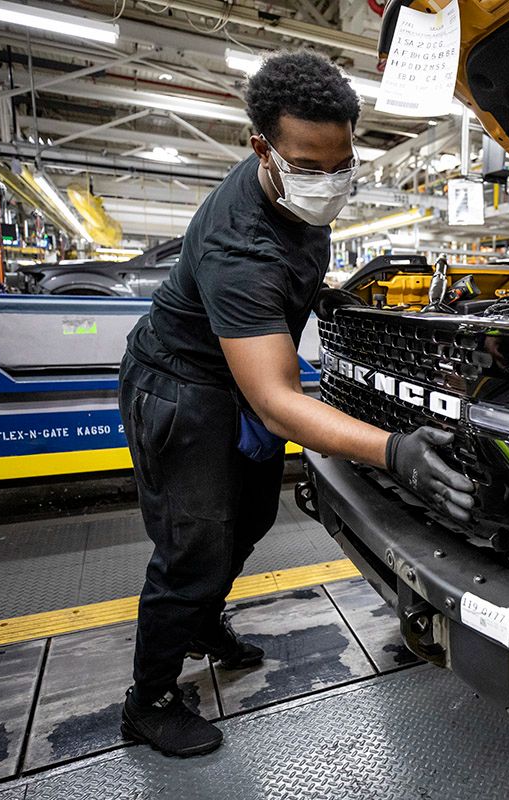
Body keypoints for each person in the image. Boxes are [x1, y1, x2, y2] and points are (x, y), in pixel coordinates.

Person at [117, 51, 474, 757]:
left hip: (231, 378)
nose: (331, 181)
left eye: (343, 163)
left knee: (247, 517)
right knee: (193, 545)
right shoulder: (240, 245)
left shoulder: (300, 193)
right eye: (311, 166)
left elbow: (296, 284)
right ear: (263, 150)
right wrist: (393, 450)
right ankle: (149, 698)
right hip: (183, 386)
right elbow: (279, 402)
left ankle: (200, 620)